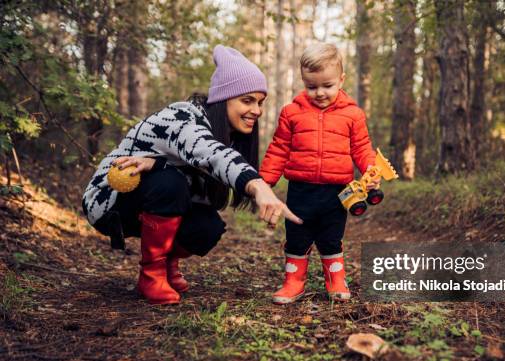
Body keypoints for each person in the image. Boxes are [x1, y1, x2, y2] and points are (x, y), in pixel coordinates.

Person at [82, 45, 301, 305]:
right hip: (109, 201)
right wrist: (258, 187)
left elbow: (203, 180)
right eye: (247, 100)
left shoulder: (226, 134)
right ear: (223, 99)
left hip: (149, 200)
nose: (257, 110)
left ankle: (166, 264)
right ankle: (151, 275)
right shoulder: (183, 117)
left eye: (260, 102)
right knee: (169, 183)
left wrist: (158, 164)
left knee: (208, 227)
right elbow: (211, 154)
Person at [259, 43, 380, 304]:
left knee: (331, 236)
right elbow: (279, 149)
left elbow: (361, 148)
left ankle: (335, 278)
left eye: (327, 85)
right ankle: (293, 281)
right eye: (311, 86)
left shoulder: (352, 114)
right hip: (300, 190)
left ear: (341, 80)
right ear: (303, 81)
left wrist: (370, 170)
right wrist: (264, 182)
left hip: (336, 192)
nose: (320, 93)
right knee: (297, 236)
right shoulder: (292, 113)